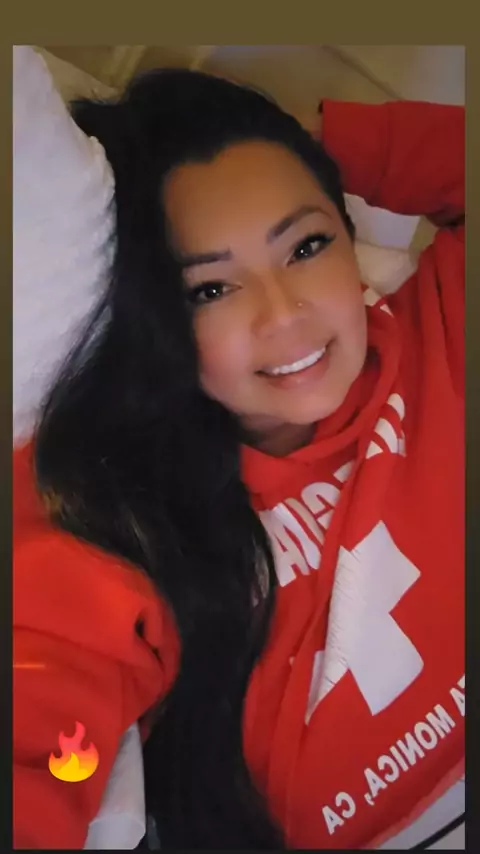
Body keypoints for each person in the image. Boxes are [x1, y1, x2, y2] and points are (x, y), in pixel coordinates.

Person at [13, 59, 464, 851]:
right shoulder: (124, 516)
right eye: (211, 290)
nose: (284, 315)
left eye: (307, 245)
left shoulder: (439, 329)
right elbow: (39, 724)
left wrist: (309, 140)